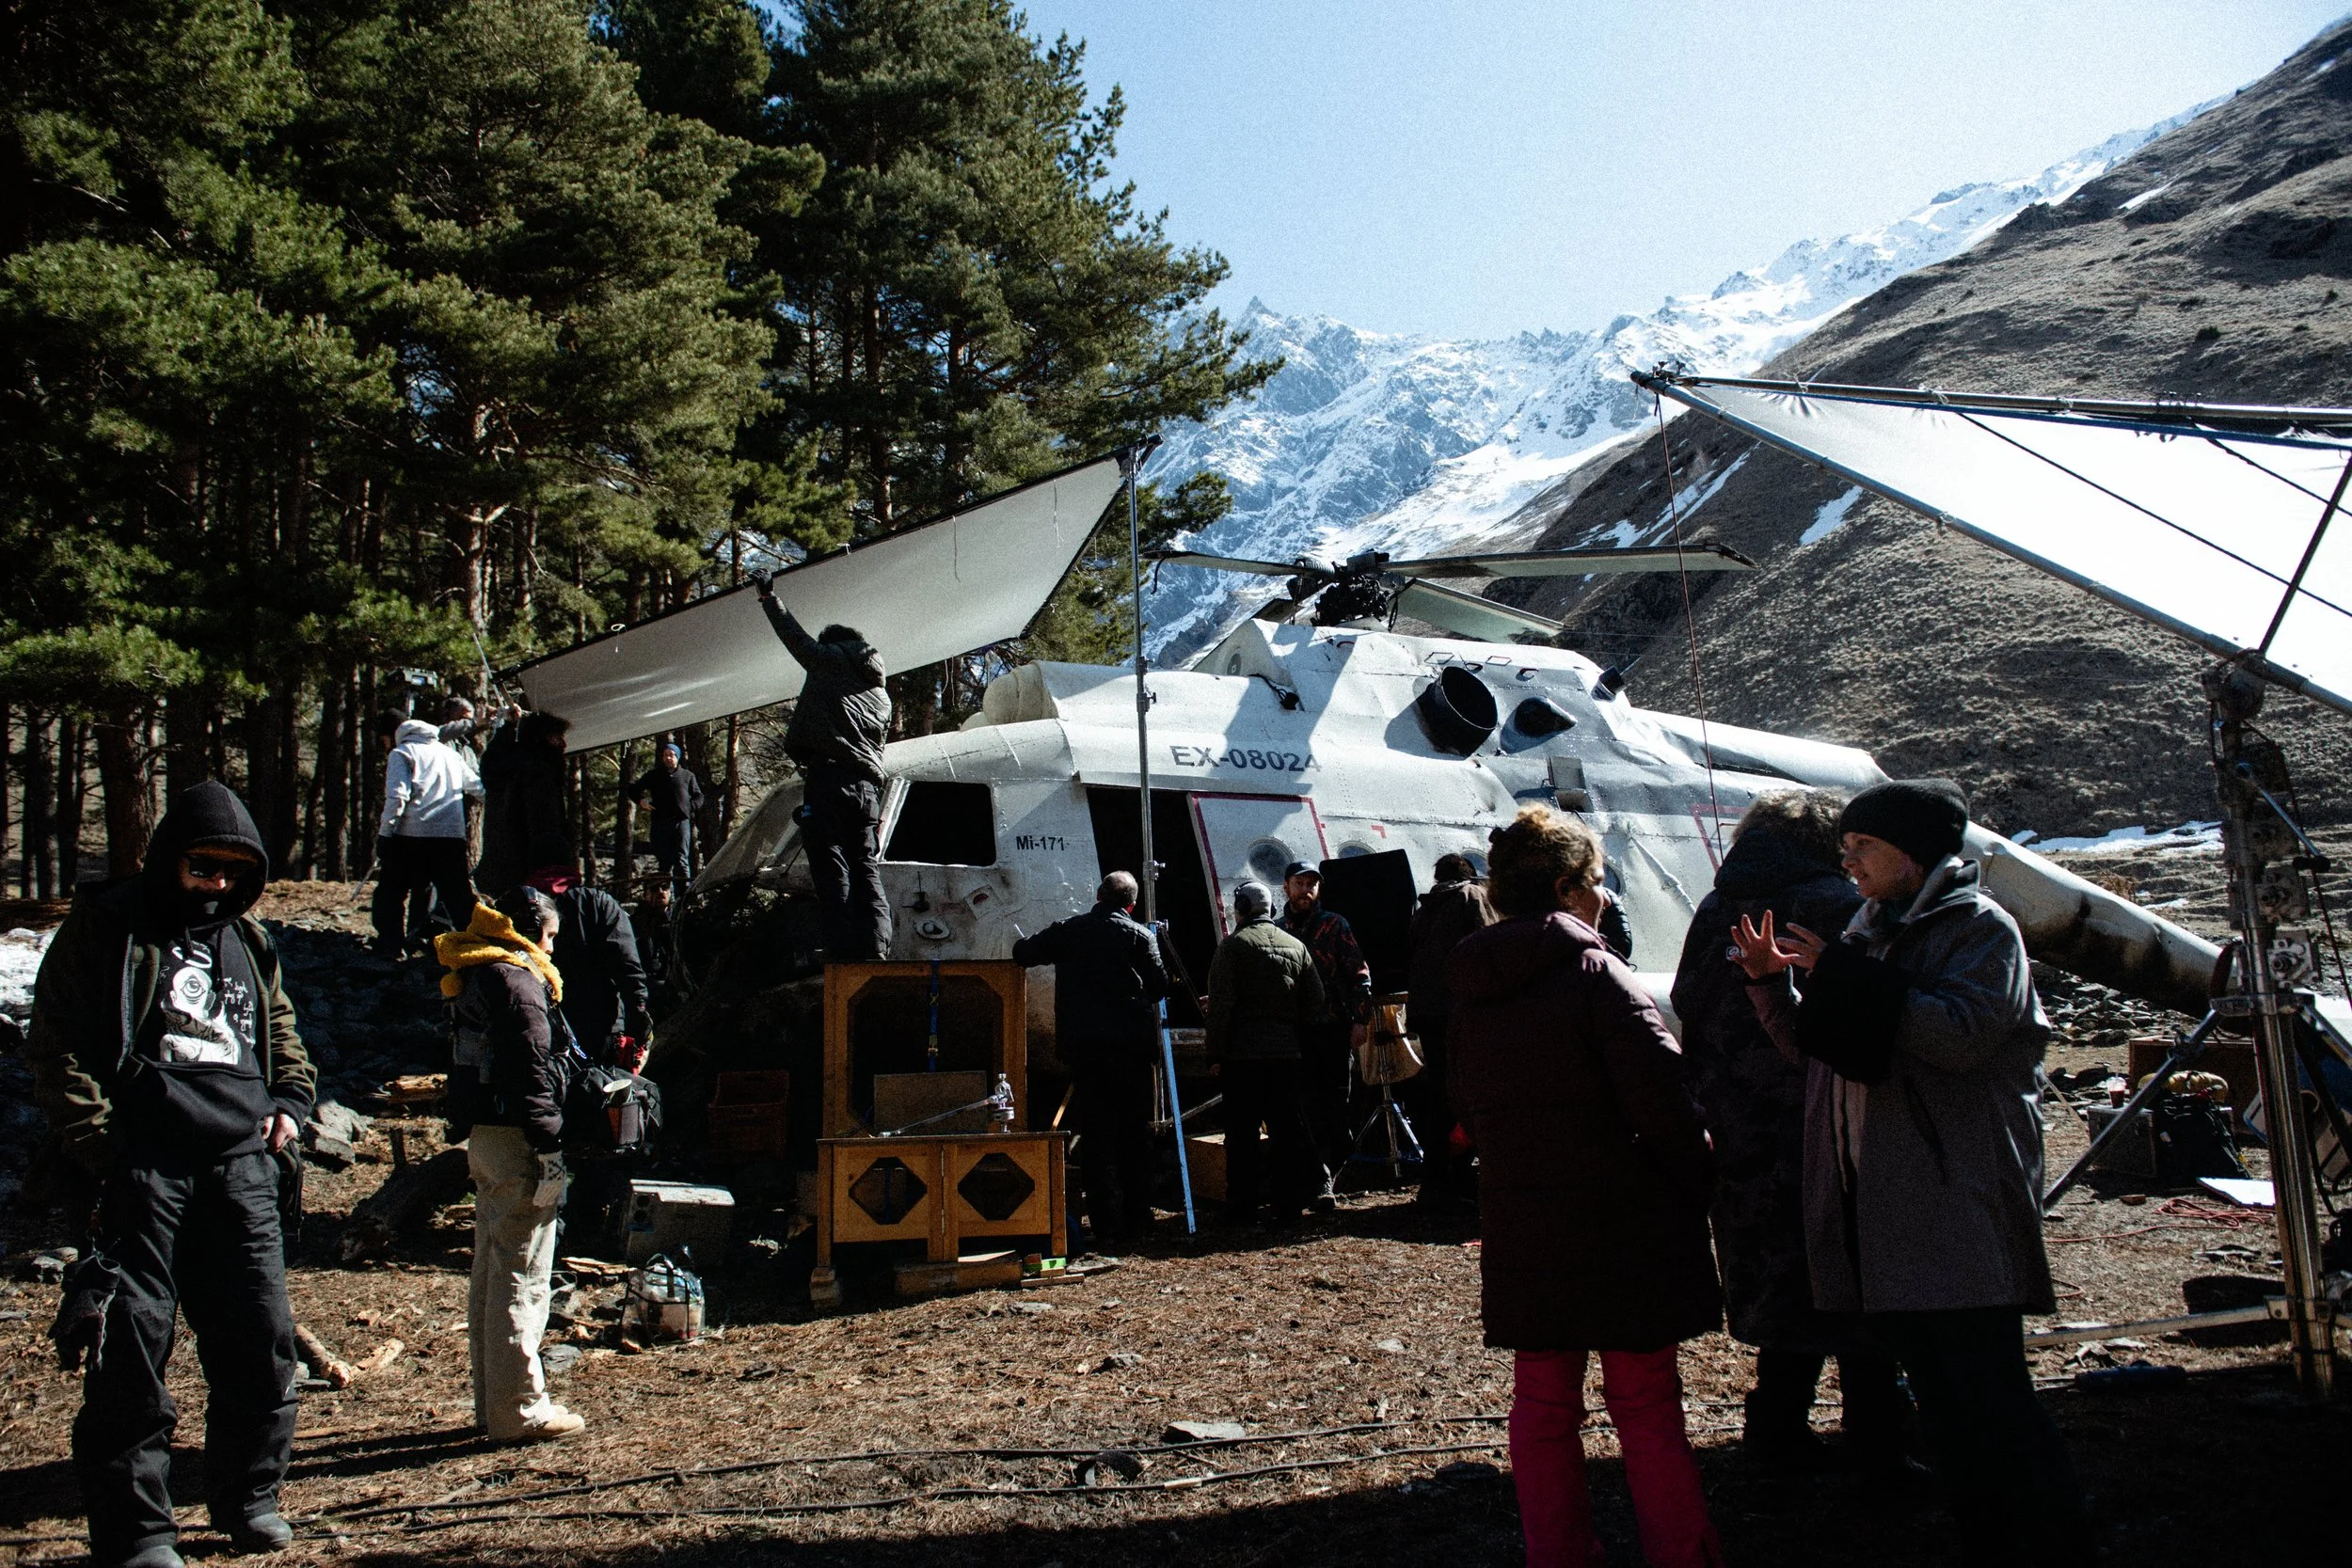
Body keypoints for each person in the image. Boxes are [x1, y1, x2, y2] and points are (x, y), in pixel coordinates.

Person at [1735, 778, 2085, 1563]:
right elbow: (1826, 1052)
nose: (1847, 860)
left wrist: (1853, 982)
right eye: (1847, 845)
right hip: (1885, 1214)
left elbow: (1960, 1035)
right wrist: (1771, 986)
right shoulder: (1868, 932)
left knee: (1993, 1403)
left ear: (1913, 853)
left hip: (1953, 1204)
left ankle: (2053, 1546)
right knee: (1946, 1410)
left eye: (1864, 847)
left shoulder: (1980, 931)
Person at [25, 781, 316, 1567]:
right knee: (130, 1352)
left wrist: (292, 1099)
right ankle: (139, 1531)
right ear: (167, 859)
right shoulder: (110, 925)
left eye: (231, 870)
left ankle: (250, 1498)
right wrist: (103, 1145)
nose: (215, 883)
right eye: (200, 866)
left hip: (240, 1168)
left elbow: (280, 1027)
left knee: (260, 1342)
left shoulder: (248, 939)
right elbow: (54, 1041)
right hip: (142, 1171)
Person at [1449, 804, 1723, 1568]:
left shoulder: (1473, 992)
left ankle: (1558, 1554)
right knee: (1645, 1407)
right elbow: (1668, 1104)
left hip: (1525, 1228)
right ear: (1571, 888)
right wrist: (1698, 1178)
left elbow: (1467, 1105)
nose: (1604, 897)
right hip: (1623, 1226)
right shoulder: (1601, 976)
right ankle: (1683, 1553)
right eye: (1597, 883)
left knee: (1540, 1406)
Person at [1670, 789, 1909, 1468]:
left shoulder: (1716, 911)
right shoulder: (1841, 908)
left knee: (1784, 1296)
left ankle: (1776, 1436)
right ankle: (1878, 1442)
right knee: (1862, 1288)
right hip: (1836, 1125)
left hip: (1743, 1132)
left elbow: (1689, 1003)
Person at [437, 886, 587, 1444]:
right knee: (522, 1273)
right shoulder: (519, 980)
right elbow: (532, 1068)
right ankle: (520, 1409)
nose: (552, 949)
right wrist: (550, 1141)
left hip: (487, 1134)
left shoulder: (477, 970)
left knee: (493, 1267)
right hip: (518, 1136)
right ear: (530, 932)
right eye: (550, 937)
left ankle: (492, 1403)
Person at [1011, 872, 1170, 1251]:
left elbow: (1023, 954)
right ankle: (1139, 1219)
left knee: (1097, 1138)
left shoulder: (1070, 930)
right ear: (1131, 905)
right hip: (1131, 1052)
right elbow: (1159, 986)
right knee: (1135, 1134)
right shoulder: (1139, 935)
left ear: (1097, 895)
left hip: (1087, 1052)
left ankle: (1105, 1224)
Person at [755, 575, 892, 960]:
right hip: (865, 789)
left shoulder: (830, 660)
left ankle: (842, 949)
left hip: (829, 780)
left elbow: (795, 640)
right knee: (865, 866)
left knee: (832, 867)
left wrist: (769, 597)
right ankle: (877, 947)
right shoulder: (880, 691)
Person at [1204, 880, 1327, 1225]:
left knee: (1241, 1134)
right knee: (1286, 1132)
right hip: (1286, 1055)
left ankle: (1242, 1209)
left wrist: (1214, 1053)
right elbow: (1315, 999)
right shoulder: (1296, 946)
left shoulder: (1232, 948)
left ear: (1242, 906)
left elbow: (1221, 1008)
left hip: (1242, 1059)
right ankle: (1288, 1206)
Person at [1402, 851, 1494, 1207]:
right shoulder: (1471, 896)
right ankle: (1459, 1178)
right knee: (1468, 1094)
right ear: (1468, 874)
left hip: (1427, 1014)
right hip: (1461, 1011)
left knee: (1440, 1094)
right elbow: (1488, 945)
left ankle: (1436, 1179)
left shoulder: (1424, 910)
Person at [1278, 861, 1372, 1200]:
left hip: (1332, 1030)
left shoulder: (1334, 926)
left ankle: (1335, 1167)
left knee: (1337, 1104)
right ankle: (1320, 1179)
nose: (1306, 890)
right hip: (1294, 1033)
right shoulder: (1276, 931)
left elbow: (1359, 974)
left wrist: (1361, 1019)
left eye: (1311, 884)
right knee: (1303, 1107)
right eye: (1299, 884)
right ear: (1286, 887)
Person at [372, 711, 484, 957]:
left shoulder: (402, 753)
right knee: (458, 896)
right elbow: (476, 787)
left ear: (392, 734)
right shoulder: (450, 754)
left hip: (411, 835)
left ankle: (390, 945)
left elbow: (397, 797)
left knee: (391, 891)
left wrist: (385, 834)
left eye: (384, 740)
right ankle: (477, 946)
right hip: (451, 837)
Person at [477, 709, 571, 897]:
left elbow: (492, 759)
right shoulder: (538, 771)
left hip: (499, 864)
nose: (563, 743)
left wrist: (508, 728)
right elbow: (544, 824)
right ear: (542, 738)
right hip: (533, 869)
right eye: (557, 736)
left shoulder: (505, 765)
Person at [627, 743, 705, 896]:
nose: (668, 758)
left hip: (680, 822)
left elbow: (699, 796)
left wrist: (689, 807)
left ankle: (685, 898)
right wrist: (642, 801)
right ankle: (666, 898)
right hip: (660, 823)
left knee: (681, 860)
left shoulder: (687, 776)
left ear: (677, 757)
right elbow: (633, 789)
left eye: (671, 755)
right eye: (665, 755)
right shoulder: (654, 775)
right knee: (664, 862)